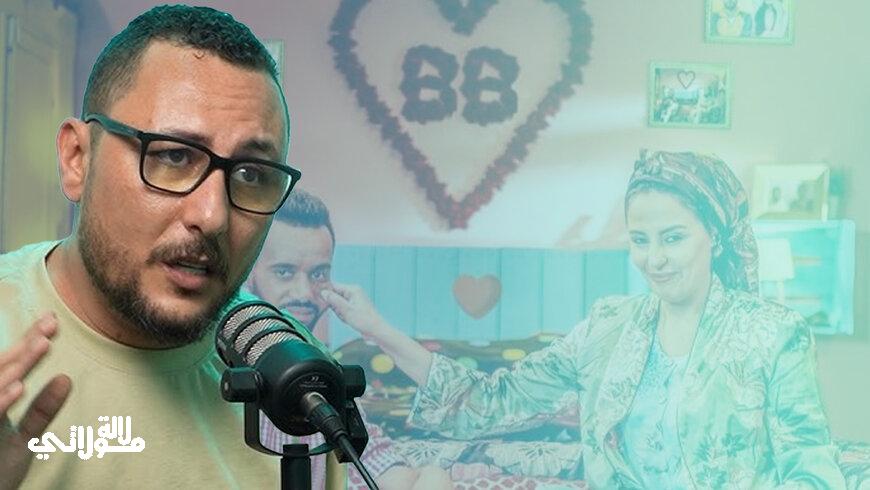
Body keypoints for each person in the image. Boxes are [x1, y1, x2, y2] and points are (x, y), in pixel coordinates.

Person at [324, 151, 847, 488]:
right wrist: (376, 329)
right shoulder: (607, 327)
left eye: (673, 238)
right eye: (640, 240)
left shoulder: (773, 334)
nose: (654, 259)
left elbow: (810, 467)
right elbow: (491, 402)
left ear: (714, 234)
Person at [0, 5, 345, 489]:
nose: (213, 216)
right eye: (173, 156)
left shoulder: (294, 375)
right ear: (77, 158)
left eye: (251, 175)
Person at [246, 189, 454, 490]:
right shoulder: (220, 373)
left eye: (318, 274)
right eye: (284, 272)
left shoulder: (324, 370)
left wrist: (373, 327)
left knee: (434, 477)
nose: (304, 293)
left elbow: (374, 459)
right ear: (249, 272)